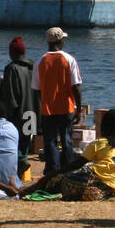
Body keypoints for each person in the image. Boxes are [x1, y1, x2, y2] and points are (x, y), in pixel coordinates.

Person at [31, 27, 83, 177]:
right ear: (60, 40)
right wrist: (78, 108)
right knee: (67, 140)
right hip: (66, 107)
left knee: (50, 142)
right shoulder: (69, 59)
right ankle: (67, 171)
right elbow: (76, 86)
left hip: (48, 109)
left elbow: (37, 88)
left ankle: (52, 172)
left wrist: (45, 101)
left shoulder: (40, 61)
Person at [0, 36, 40, 177]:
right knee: (26, 142)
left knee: (14, 142)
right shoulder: (35, 67)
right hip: (33, 112)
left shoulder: (12, 68)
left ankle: (18, 167)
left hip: (18, 113)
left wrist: (6, 113)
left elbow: (11, 93)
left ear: (12, 52)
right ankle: (23, 164)